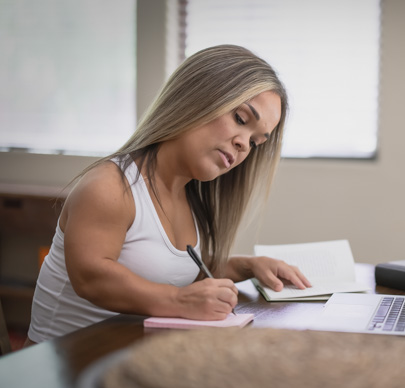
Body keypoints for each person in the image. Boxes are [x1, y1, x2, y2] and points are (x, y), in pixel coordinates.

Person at [26, 45, 311, 344]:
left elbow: (174, 267)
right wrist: (180, 301)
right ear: (195, 97)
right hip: (61, 369)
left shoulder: (188, 195)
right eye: (240, 119)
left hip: (125, 362)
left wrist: (247, 265)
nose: (243, 145)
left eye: (255, 141)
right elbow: (91, 277)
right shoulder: (109, 186)